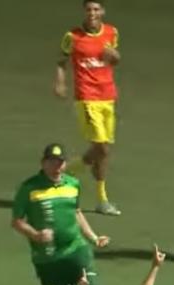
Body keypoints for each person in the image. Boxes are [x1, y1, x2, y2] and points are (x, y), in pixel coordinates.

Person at [11, 143, 109, 285]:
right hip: (49, 258)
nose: (56, 166)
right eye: (52, 161)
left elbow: (76, 212)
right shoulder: (29, 188)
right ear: (43, 163)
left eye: (60, 162)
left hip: (77, 250)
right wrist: (36, 235)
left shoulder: (72, 184)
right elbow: (17, 221)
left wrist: (93, 237)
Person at [54, 0, 122, 216]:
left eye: (96, 9)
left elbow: (115, 59)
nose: (92, 13)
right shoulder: (73, 36)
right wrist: (60, 82)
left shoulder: (111, 32)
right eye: (88, 9)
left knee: (104, 152)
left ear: (102, 11)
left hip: (108, 97)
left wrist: (114, 57)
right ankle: (62, 172)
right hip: (87, 98)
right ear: (84, 12)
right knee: (101, 148)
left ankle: (102, 200)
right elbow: (61, 61)